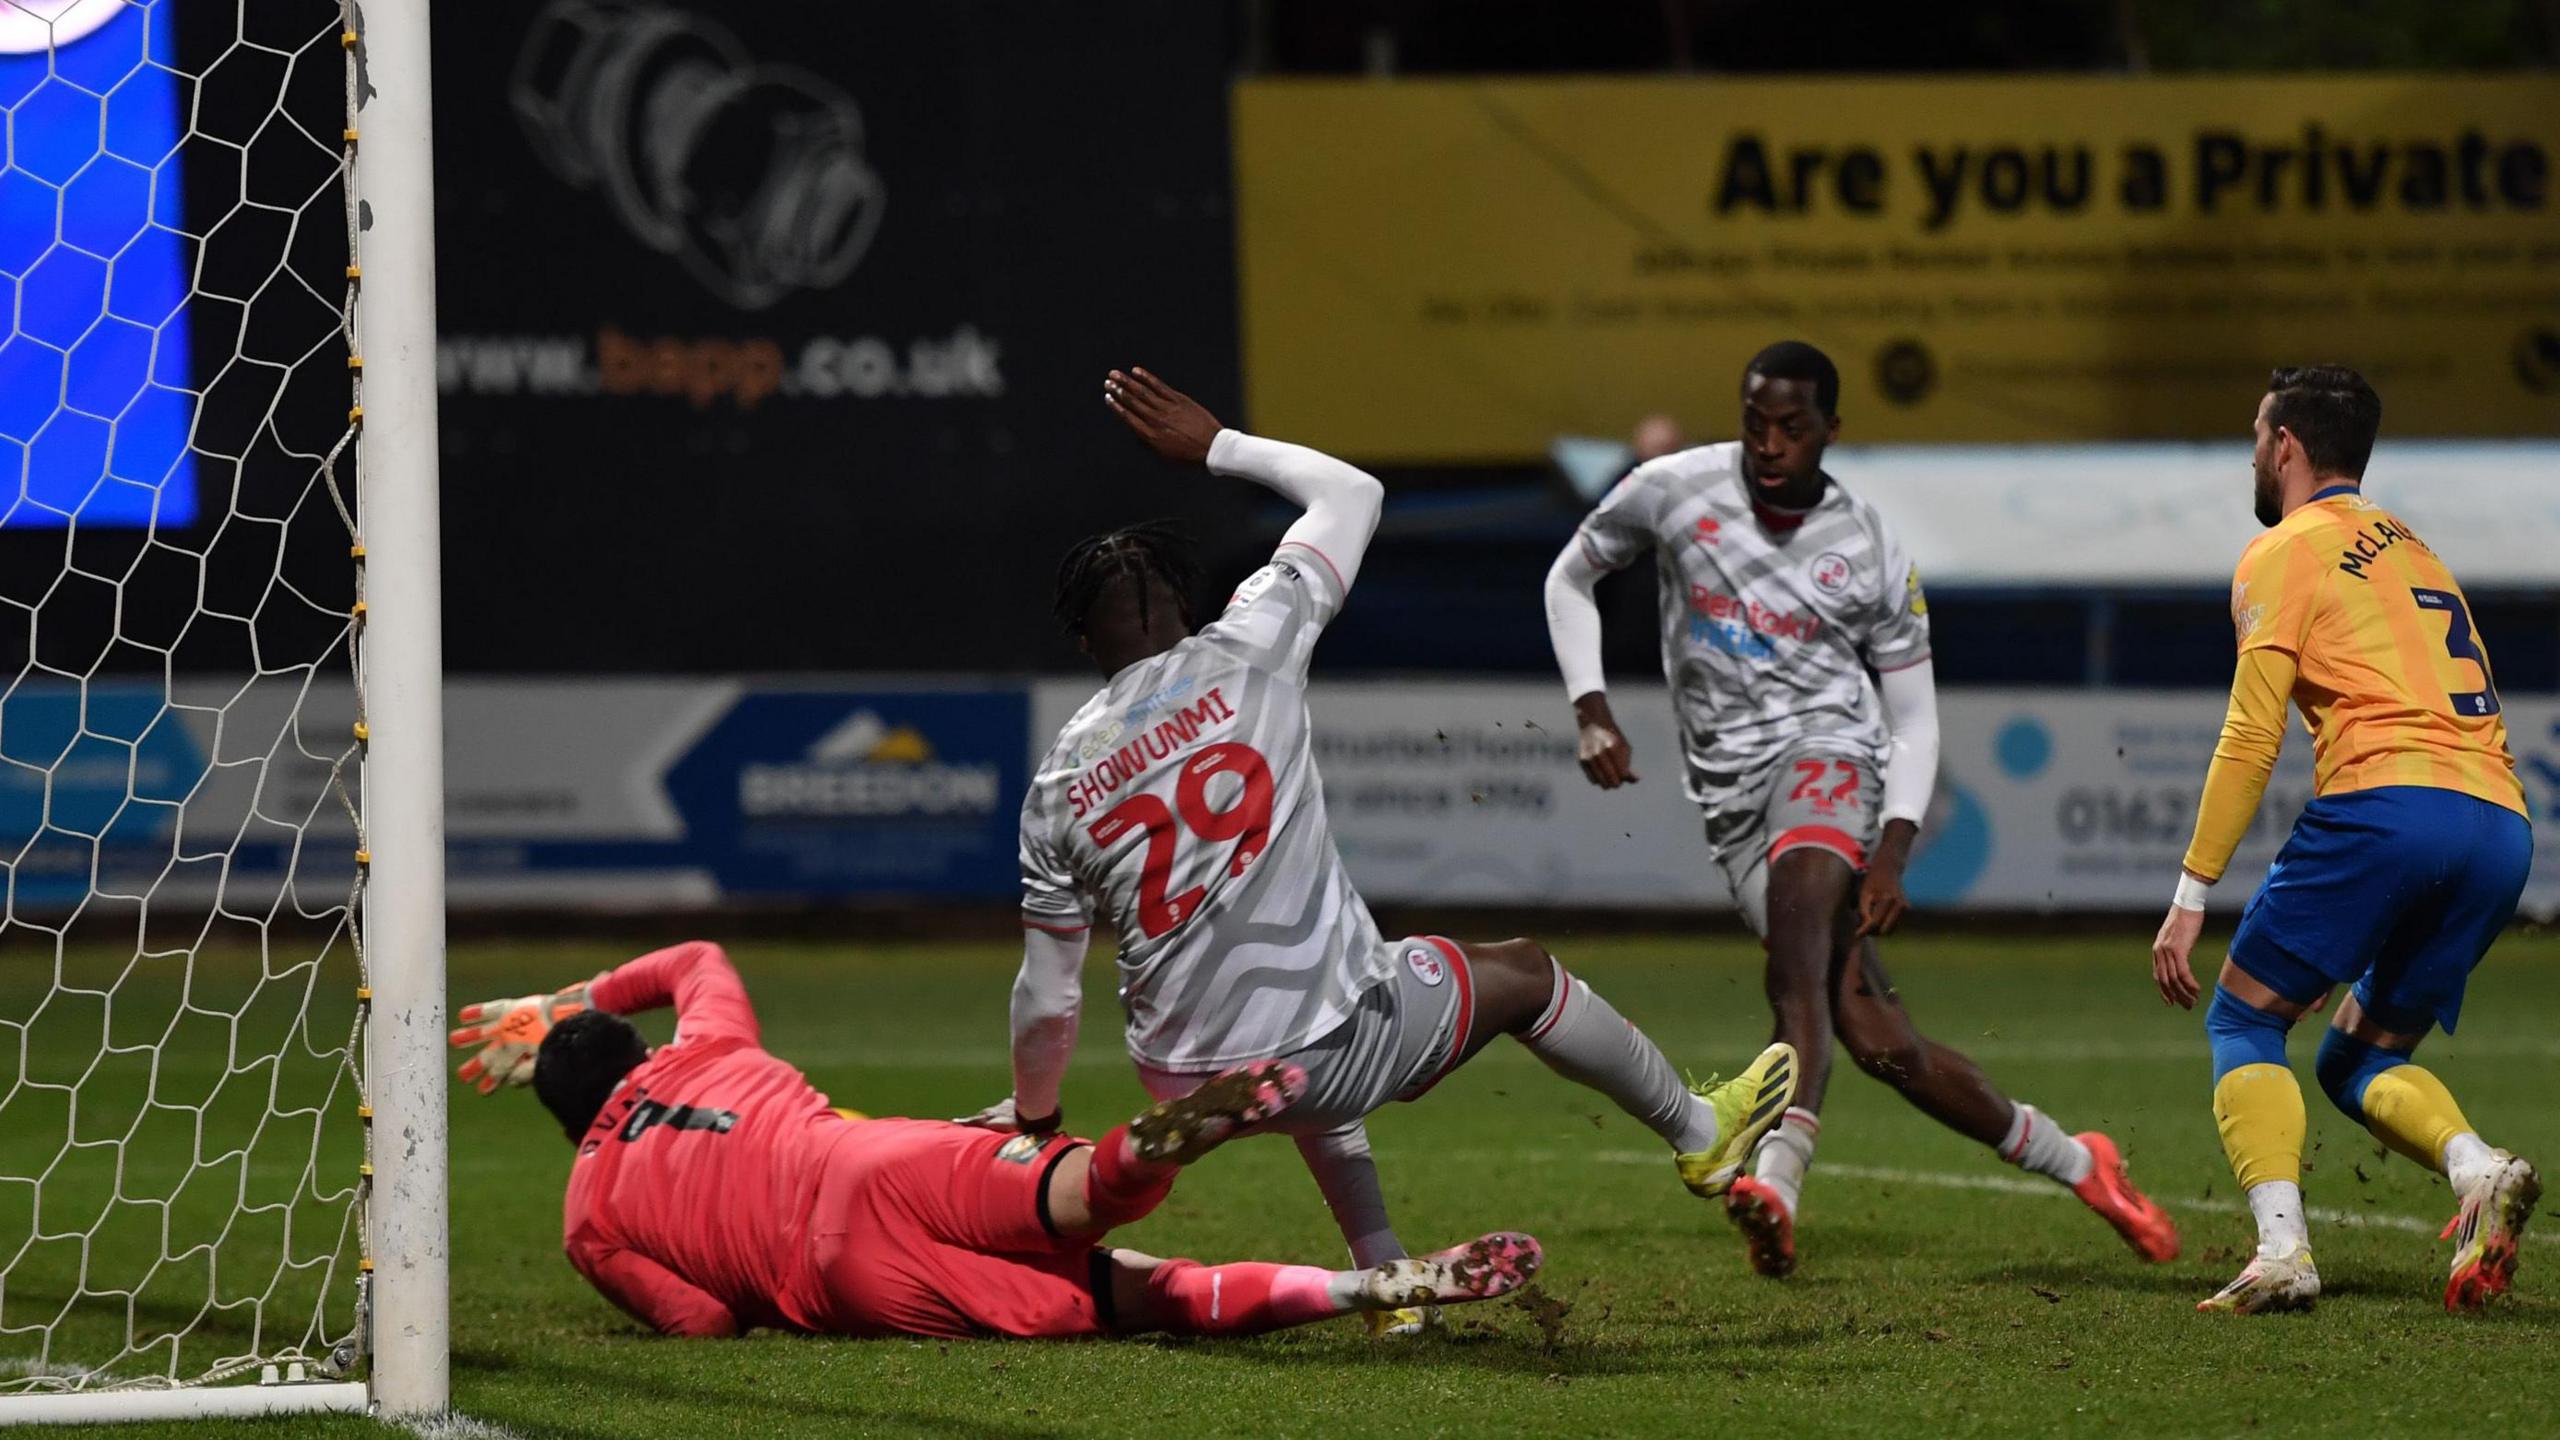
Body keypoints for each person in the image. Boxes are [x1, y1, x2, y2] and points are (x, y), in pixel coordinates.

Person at [974, 367, 1798, 1334]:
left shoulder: (1059, 777)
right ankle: (1701, 1135)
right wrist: (1215, 447)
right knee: (1520, 977)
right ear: (1191, 606)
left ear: (1084, 639)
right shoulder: (1252, 643)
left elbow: (1049, 996)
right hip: (1313, 1052)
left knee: (1337, 991)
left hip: (1181, 1076)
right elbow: (1353, 492)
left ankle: (1386, 1282)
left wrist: (1035, 1115)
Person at [1543, 340, 2178, 1279]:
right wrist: (1590, 706)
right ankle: (2082, 1162)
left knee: (1797, 952)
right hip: (1728, 796)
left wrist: (1892, 849)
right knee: (1881, 1041)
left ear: (1830, 432)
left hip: (1831, 760)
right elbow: (1570, 577)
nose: (1769, 444)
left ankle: (1776, 1180)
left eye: (1792, 429)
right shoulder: (1672, 489)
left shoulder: (1870, 546)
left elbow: (1914, 719)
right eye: (1755, 422)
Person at [445, 941, 1542, 1341]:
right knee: (1078, 1194)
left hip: (841, 1281)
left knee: (1142, 1296)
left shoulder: (585, 1220)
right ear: (637, 1048)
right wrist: (562, 996)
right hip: (866, 1160)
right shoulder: (703, 1050)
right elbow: (695, 958)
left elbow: (700, 1321)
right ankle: (1158, 1145)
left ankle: (1376, 1288)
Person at [2151, 365, 2539, 1315]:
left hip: (2388, 805)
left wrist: (2191, 892)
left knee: (2245, 1020)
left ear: (2285, 443)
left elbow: (2251, 732)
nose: (2252, 451)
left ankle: (2282, 1249)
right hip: (2499, 823)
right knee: (2354, 1058)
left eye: (2255, 433)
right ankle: (2476, 1168)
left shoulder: (2284, 549)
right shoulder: (2414, 548)